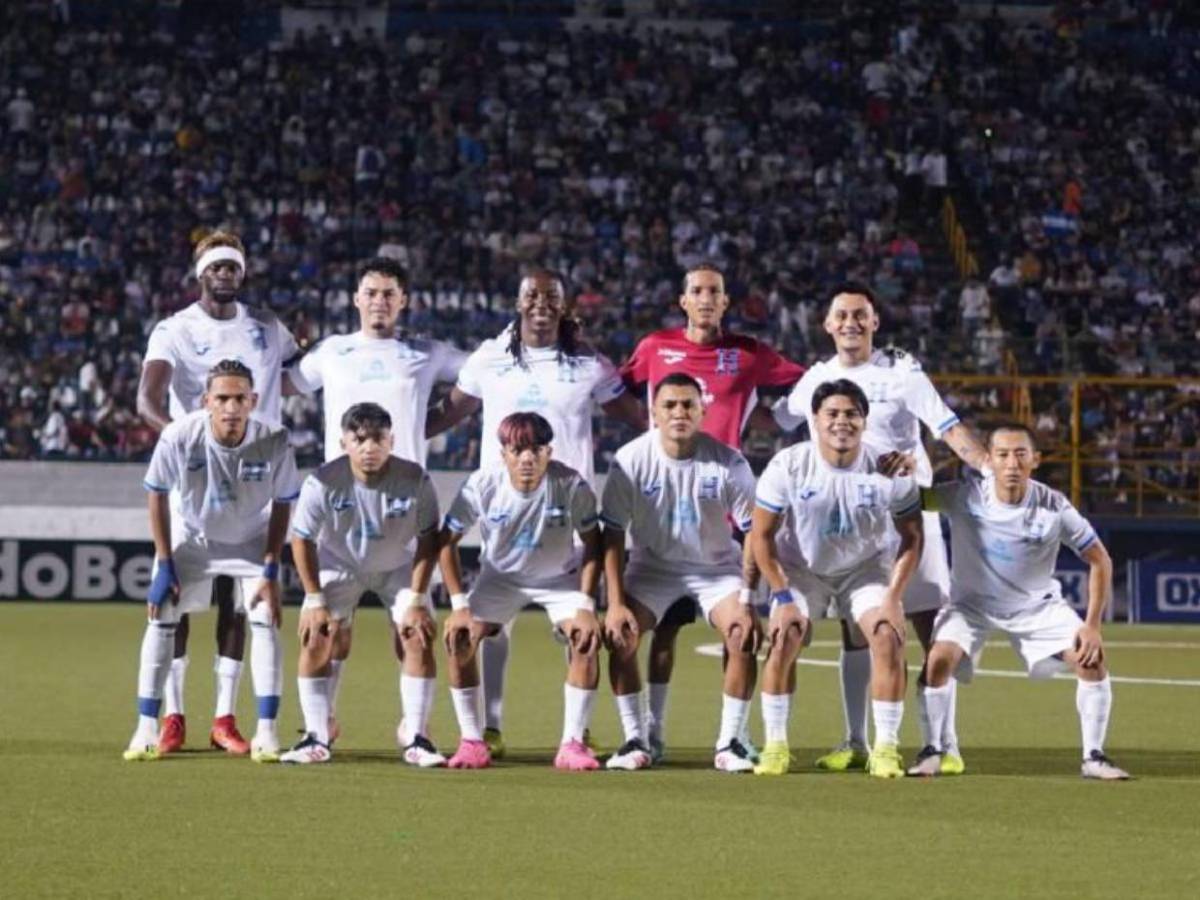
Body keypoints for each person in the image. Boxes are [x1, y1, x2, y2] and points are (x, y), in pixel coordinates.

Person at [426, 269, 644, 757]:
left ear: (565, 307)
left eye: (551, 297)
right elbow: (451, 411)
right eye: (532, 295)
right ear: (518, 302)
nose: (541, 304)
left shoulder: (588, 364)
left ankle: (576, 732)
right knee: (495, 627)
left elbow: (634, 416)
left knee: (577, 630)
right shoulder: (490, 357)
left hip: (567, 506)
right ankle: (491, 727)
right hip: (505, 505)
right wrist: (394, 433)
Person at [777, 283, 987, 775]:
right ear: (827, 325)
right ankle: (855, 740)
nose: (850, 323)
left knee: (930, 628)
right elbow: (778, 417)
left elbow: (950, 428)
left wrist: (991, 473)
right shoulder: (816, 380)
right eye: (841, 315)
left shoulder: (903, 372)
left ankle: (943, 744)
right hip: (852, 522)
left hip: (910, 514)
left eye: (860, 315)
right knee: (858, 633)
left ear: (875, 322)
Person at [619, 263, 804, 760]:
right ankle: (650, 732)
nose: (705, 298)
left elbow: (808, 386)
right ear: (683, 300)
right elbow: (616, 390)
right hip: (667, 508)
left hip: (722, 498)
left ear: (726, 302)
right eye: (696, 291)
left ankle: (732, 738)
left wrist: (776, 419)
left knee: (738, 629)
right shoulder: (654, 346)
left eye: (714, 292)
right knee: (663, 632)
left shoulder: (747, 353)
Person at [136, 231, 299, 757]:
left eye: (232, 266)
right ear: (200, 272)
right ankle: (174, 715)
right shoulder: (176, 328)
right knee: (178, 602)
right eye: (215, 266)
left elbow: (298, 379)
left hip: (255, 470)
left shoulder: (268, 327)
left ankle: (225, 717)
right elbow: (147, 399)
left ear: (242, 273)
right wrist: (189, 445)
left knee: (239, 599)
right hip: (198, 477)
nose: (224, 274)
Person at [287, 256, 465, 736]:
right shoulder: (331, 352)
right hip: (342, 502)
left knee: (410, 626)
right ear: (356, 299)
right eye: (371, 292)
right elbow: (281, 384)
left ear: (403, 301)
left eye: (389, 293)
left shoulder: (425, 353)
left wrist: (433, 423)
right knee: (331, 632)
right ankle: (320, 725)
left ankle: (415, 728)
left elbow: (480, 377)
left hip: (405, 503)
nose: (380, 301)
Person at [909, 424, 1129, 780]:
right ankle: (933, 750)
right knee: (937, 661)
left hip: (1037, 607)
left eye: (1020, 454)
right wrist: (906, 469)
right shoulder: (963, 496)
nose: (1011, 463)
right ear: (988, 461)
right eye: (1003, 455)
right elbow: (914, 500)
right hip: (970, 606)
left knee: (1091, 660)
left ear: (1035, 460)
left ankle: (1094, 757)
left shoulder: (1054, 506)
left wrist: (1092, 626)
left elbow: (1100, 559)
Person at [751, 379, 923, 778]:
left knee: (886, 634)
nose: (841, 422)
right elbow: (760, 537)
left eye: (851, 414)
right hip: (802, 571)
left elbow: (913, 538)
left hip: (864, 571)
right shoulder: (788, 465)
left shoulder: (888, 466)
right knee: (785, 635)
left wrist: (893, 597)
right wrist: (781, 598)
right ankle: (775, 744)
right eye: (832, 413)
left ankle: (886, 747)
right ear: (815, 420)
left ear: (865, 421)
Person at [600, 374, 762, 772]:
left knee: (742, 636)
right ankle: (636, 739)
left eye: (688, 404)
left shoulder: (728, 461)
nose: (679, 412)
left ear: (703, 411)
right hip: (652, 567)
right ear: (653, 412)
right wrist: (615, 603)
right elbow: (613, 534)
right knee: (620, 637)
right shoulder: (630, 460)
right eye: (670, 405)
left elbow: (755, 532)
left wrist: (747, 600)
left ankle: (730, 742)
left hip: (716, 569)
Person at [437, 412, 603, 771]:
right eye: (518, 450)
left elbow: (594, 543)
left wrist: (587, 606)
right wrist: (458, 605)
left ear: (549, 452)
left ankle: (572, 743)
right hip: (499, 579)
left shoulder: (571, 485)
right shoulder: (482, 485)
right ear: (504, 454)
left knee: (587, 638)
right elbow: (444, 542)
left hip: (559, 578)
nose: (527, 458)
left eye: (536, 450)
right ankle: (472, 741)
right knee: (459, 637)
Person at [280, 403, 444, 766]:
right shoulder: (322, 481)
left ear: (391, 441)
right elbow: (301, 539)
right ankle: (316, 735)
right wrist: (313, 598)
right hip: (340, 565)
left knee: (417, 634)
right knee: (316, 634)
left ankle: (417, 736)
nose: (369, 448)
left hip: (397, 566)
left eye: (377, 439)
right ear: (344, 442)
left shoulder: (416, 478)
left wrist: (417, 597)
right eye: (359, 439)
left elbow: (430, 538)